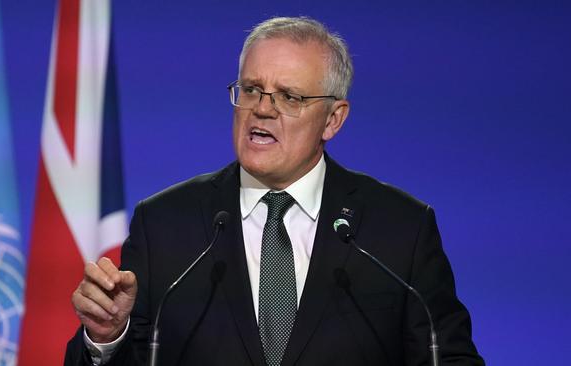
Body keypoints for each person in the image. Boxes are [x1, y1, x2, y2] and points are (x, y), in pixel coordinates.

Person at [65, 16, 484, 366]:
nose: (262, 108)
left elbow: (448, 357)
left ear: (333, 120)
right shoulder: (165, 226)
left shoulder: (399, 231)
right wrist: (107, 336)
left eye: (289, 96)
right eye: (250, 89)